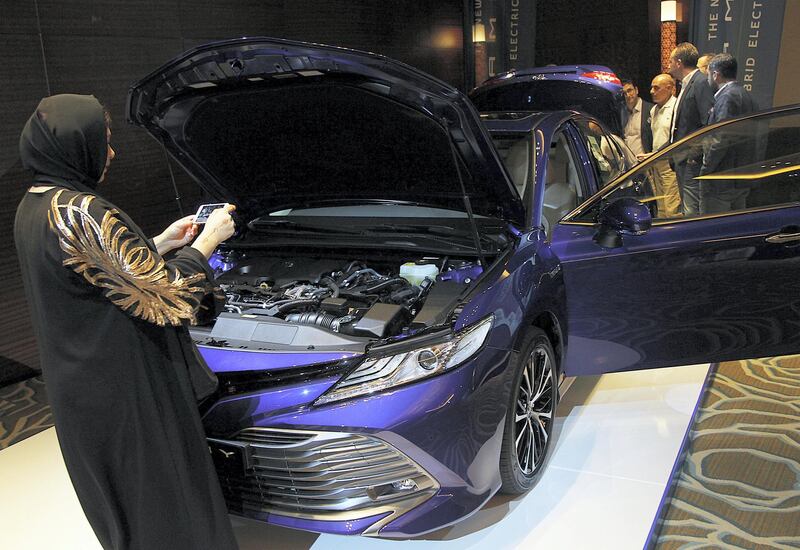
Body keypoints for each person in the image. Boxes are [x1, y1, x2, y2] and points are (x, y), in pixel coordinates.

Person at [14, 94, 239, 550]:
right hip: (124, 385)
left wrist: (158, 242)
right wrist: (209, 241)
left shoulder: (36, 205)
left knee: (131, 501)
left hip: (83, 384)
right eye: (104, 141)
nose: (111, 153)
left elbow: (91, 273)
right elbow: (168, 296)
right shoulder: (81, 210)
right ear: (75, 145)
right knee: (165, 497)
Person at [699, 53, 758, 213]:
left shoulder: (726, 97)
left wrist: (706, 169)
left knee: (713, 231)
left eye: (709, 75)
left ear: (716, 74)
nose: (708, 79)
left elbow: (721, 138)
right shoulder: (747, 96)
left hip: (721, 179)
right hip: (740, 177)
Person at [668, 42, 716, 215]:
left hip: (690, 160)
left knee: (691, 211)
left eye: (670, 61)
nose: (668, 65)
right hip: (681, 158)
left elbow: (709, 122)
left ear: (679, 62)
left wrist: (694, 155)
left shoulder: (700, 83)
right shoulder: (687, 84)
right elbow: (680, 125)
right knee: (687, 208)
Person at [644, 73, 682, 217]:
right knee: (660, 205)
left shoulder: (676, 107)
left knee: (671, 205)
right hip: (655, 162)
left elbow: (676, 137)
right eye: (651, 88)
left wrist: (657, 153)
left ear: (670, 88)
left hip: (669, 163)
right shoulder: (653, 110)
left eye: (656, 88)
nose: (652, 91)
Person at [621, 79, 653, 158]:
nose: (628, 95)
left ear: (636, 90)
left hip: (645, 162)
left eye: (630, 90)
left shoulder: (651, 109)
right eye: (624, 93)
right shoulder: (622, 112)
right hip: (628, 163)